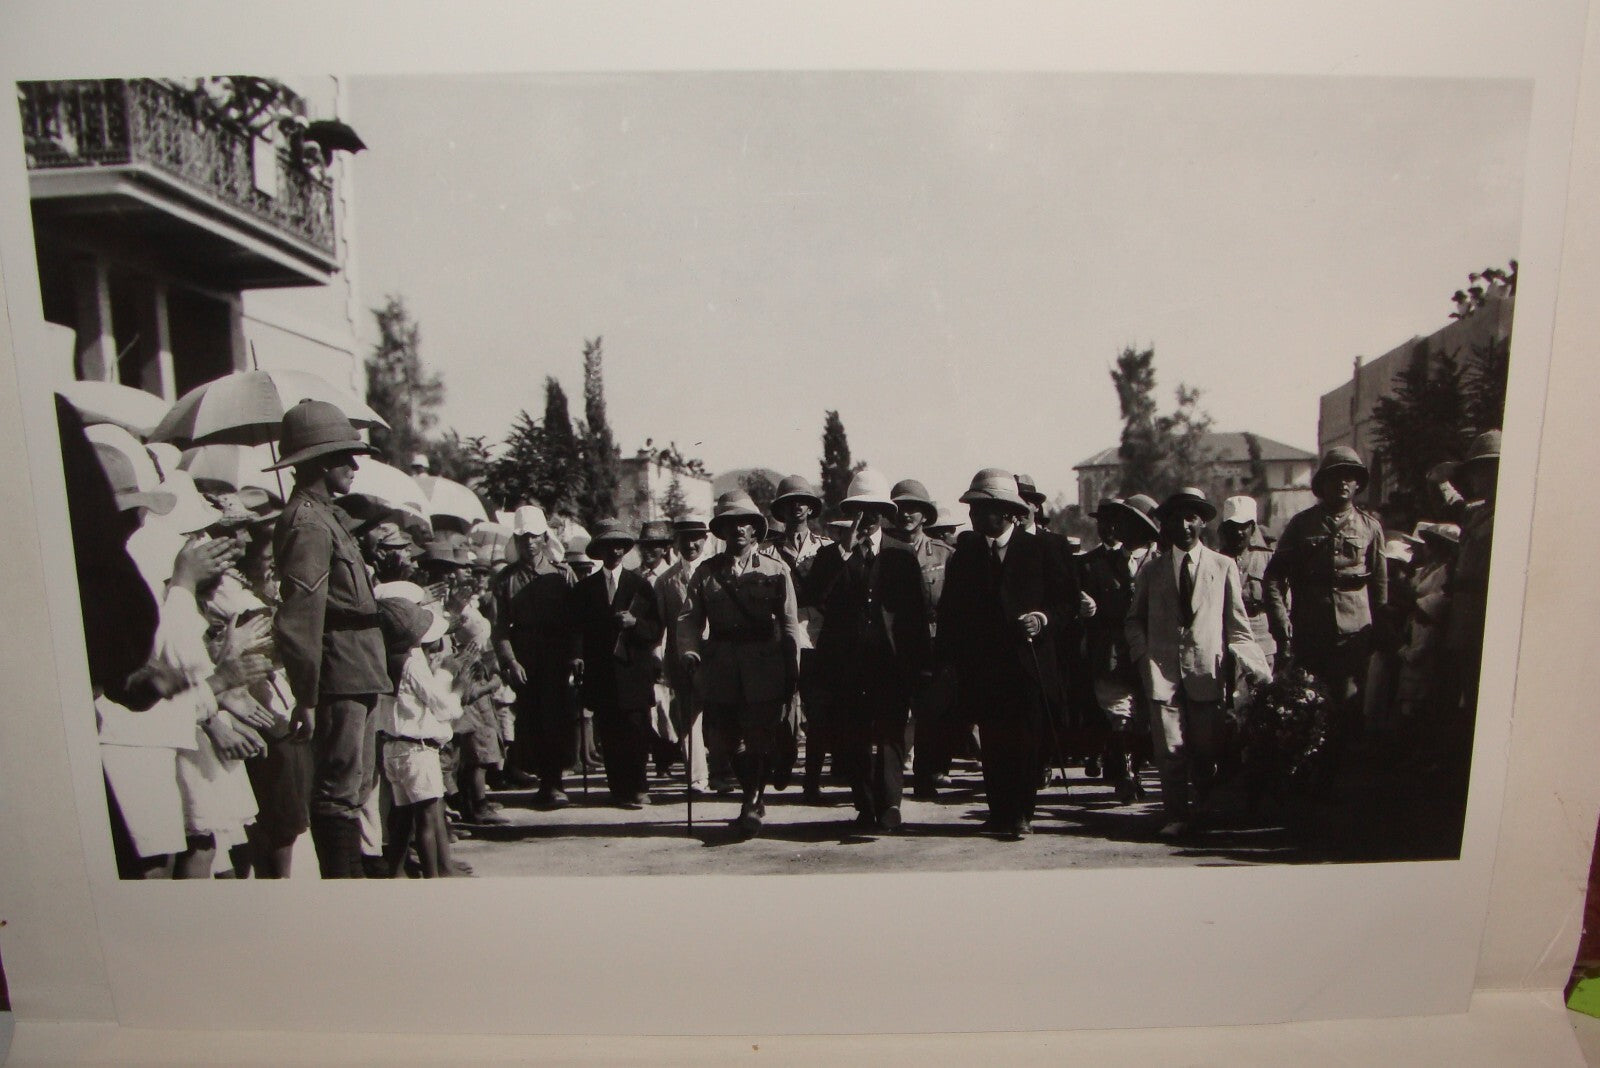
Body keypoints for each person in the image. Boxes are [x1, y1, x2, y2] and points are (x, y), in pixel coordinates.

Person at [268, 400, 392, 879]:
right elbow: (301, 618)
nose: (354, 466)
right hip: (337, 671)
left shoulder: (327, 517)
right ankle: (345, 890)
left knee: (355, 787)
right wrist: (307, 693)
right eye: (344, 456)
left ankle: (352, 880)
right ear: (320, 462)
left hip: (358, 667)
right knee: (339, 789)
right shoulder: (308, 524)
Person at [936, 469, 1076, 839]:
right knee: (994, 741)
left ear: (1005, 511)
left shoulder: (1043, 549)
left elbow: (1068, 603)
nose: (973, 516)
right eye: (971, 508)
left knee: (1027, 741)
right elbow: (951, 611)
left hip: (1029, 665)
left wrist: (1042, 619)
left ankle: (1021, 813)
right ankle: (999, 811)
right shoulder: (966, 554)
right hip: (984, 667)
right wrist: (948, 661)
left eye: (981, 508)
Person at [1126, 488, 1270, 838]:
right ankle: (1176, 814)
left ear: (1203, 522)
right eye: (1176, 518)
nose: (1184, 525)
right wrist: (1144, 656)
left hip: (1207, 670)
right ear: (1166, 525)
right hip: (1162, 672)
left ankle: (1204, 808)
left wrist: (1256, 668)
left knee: (1206, 750)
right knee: (1170, 750)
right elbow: (1134, 620)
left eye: (1191, 517)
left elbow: (1237, 626)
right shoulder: (1152, 570)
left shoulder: (1222, 567)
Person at [806, 470, 931, 832]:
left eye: (876, 508)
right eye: (862, 508)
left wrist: (921, 665)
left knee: (891, 733)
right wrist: (844, 553)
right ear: (851, 510)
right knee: (854, 736)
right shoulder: (832, 556)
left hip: (890, 662)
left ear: (885, 512)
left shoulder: (902, 554)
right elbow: (817, 598)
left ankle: (891, 803)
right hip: (848, 664)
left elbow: (915, 615)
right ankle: (864, 804)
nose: (869, 515)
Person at [676, 491, 805, 836]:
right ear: (721, 530)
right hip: (721, 668)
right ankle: (753, 793)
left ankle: (751, 799)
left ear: (755, 530)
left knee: (760, 736)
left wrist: (792, 663)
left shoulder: (776, 570)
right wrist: (689, 650)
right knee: (727, 741)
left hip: (764, 665)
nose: (738, 529)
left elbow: (789, 621)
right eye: (731, 523)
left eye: (745, 522)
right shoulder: (706, 573)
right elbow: (688, 618)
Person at [1265, 447, 1387, 744]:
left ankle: (1346, 773)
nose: (1342, 483)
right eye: (1334, 477)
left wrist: (1381, 631)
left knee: (1349, 703)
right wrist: (1281, 622)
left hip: (1354, 634)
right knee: (1308, 703)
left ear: (1358, 484)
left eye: (1349, 477)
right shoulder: (1301, 525)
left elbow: (1379, 585)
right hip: (1311, 629)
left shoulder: (1370, 528)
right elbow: (1273, 577)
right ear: (1322, 485)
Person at [571, 520, 665, 808]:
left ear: (625, 549)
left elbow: (656, 630)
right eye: (607, 545)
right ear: (598, 551)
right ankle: (618, 788)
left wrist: (635, 623)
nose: (614, 550)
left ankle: (638, 786)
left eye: (619, 544)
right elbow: (576, 629)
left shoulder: (641, 586)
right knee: (609, 731)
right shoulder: (585, 588)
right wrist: (576, 656)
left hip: (634, 671)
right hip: (602, 672)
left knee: (636, 731)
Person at [491, 505, 581, 807]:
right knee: (531, 721)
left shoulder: (562, 575)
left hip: (557, 658)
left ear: (544, 537)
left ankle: (555, 781)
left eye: (533, 536)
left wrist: (576, 655)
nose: (528, 543)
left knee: (557, 718)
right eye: (522, 538)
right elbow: (499, 627)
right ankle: (542, 780)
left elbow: (575, 622)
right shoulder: (506, 580)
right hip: (525, 658)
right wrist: (510, 661)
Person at [373, 587, 461, 877]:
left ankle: (395, 872)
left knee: (401, 817)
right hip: (417, 749)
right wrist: (455, 683)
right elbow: (441, 706)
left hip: (392, 747)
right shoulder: (413, 664)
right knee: (425, 816)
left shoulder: (383, 660)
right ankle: (433, 876)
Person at [1077, 495, 1160, 803]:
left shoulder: (1162, 562)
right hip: (1113, 651)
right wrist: (1086, 608)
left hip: (1154, 650)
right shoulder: (1100, 565)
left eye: (1125, 520)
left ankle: (1137, 767)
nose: (1116, 526)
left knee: (1147, 717)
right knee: (1120, 715)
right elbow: (1084, 609)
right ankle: (1127, 775)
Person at [885, 478, 956, 801]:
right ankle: (892, 785)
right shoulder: (883, 551)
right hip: (895, 644)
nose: (906, 514)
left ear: (925, 515)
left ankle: (926, 776)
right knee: (895, 715)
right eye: (899, 508)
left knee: (930, 715)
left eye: (913, 508)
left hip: (933, 643)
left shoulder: (943, 554)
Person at [767, 475, 827, 800]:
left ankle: (813, 777)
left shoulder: (825, 547)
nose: (797, 507)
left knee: (816, 710)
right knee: (783, 704)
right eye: (790, 502)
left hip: (817, 638)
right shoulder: (769, 552)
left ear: (811, 507)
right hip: (783, 637)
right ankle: (785, 758)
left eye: (802, 501)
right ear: (781, 509)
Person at [656, 516, 714, 795]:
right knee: (689, 717)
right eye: (684, 539)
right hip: (681, 658)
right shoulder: (666, 582)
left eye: (696, 538)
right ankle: (696, 778)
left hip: (716, 656)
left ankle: (725, 772)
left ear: (706, 540)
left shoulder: (716, 572)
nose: (691, 544)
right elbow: (658, 625)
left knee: (721, 714)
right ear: (675, 543)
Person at [634, 519, 680, 777]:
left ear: (664, 548)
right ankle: (658, 753)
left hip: (665, 645)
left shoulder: (672, 575)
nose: (649, 551)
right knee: (649, 705)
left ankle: (668, 754)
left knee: (665, 705)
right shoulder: (635, 576)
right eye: (645, 546)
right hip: (643, 647)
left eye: (655, 546)